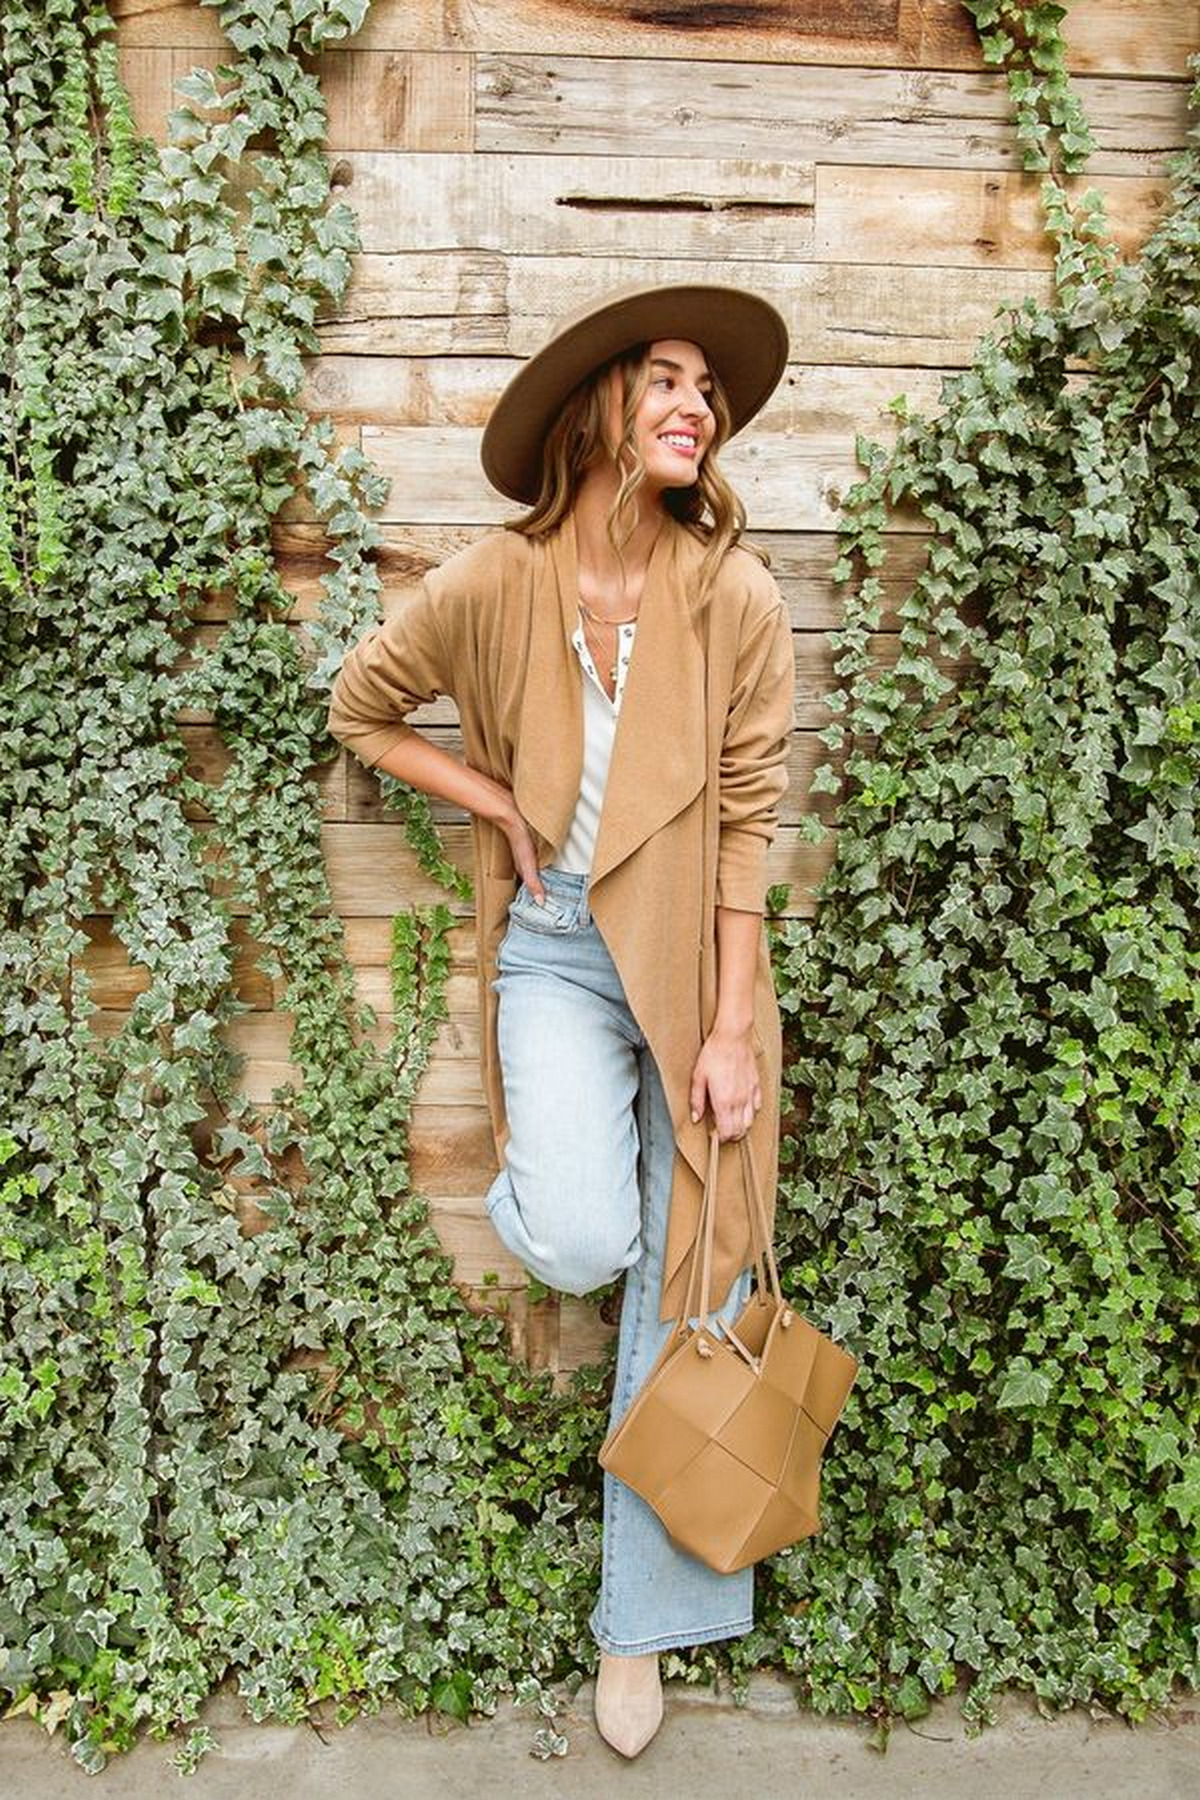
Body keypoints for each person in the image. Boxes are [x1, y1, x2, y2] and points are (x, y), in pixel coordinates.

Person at [326, 282, 795, 1759]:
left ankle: (638, 1629)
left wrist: (729, 1027)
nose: (695, 407)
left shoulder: (737, 597)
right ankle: (591, 1187)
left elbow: (746, 825)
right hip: (555, 949)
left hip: (697, 969)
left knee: (692, 1279)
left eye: (708, 392)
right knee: (594, 1237)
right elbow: (361, 707)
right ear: (601, 405)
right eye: (667, 379)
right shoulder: (493, 581)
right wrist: (497, 805)